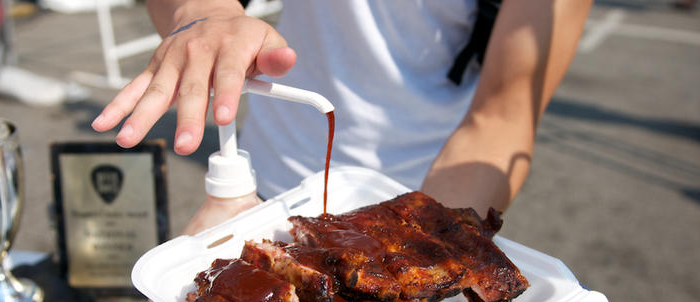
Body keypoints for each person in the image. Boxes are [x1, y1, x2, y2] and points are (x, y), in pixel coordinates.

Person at [91, 0, 592, 221]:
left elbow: (502, 117)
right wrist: (204, 14)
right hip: (261, 186)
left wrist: (416, 252)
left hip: (428, 197)